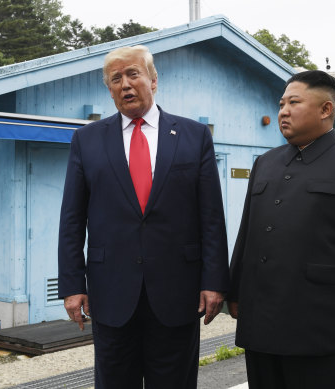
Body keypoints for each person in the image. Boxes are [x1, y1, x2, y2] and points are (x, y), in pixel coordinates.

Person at [58, 45, 229, 389]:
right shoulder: (87, 140)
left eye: (133, 74)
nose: (125, 84)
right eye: (115, 78)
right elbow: (72, 220)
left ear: (153, 80)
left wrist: (214, 281)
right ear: (109, 89)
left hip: (178, 292)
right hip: (111, 292)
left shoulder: (194, 137)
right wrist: (73, 285)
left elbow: (211, 216)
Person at [228, 70, 335, 388]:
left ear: (325, 109)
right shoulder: (266, 162)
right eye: (281, 104)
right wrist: (235, 291)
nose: (284, 111)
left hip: (324, 321)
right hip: (261, 320)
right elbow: (247, 231)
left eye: (294, 102)